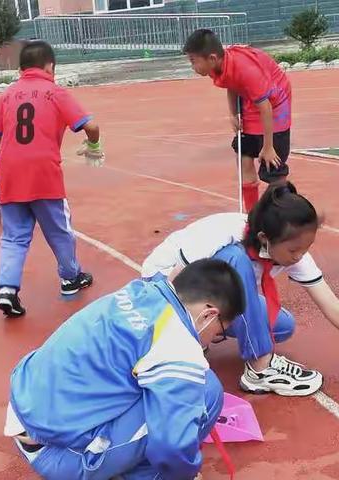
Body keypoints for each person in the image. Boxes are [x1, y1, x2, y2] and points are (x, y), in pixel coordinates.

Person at [4, 258, 245, 480]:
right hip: (58, 456)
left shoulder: (140, 291)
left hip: (22, 414)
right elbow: (172, 448)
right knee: (206, 389)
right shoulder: (177, 342)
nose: (213, 340)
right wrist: (186, 472)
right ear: (208, 315)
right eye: (218, 334)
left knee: (146, 379)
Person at [142, 182, 339, 397]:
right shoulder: (222, 234)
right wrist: (181, 336)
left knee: (283, 326)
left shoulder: (293, 251)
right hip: (166, 283)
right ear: (265, 238)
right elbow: (171, 285)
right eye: (294, 250)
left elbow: (330, 304)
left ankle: (209, 329)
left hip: (208, 296)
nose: (299, 256)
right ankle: (259, 368)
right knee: (235, 259)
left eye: (306, 248)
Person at [0, 40, 105, 316]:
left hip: (9, 173)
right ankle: (70, 277)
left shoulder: (7, 95)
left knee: (14, 236)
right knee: (59, 230)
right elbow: (91, 125)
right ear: (50, 66)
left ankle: (7, 289)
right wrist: (93, 146)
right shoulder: (55, 92)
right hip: (44, 173)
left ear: (21, 68)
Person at [184, 29, 292, 212]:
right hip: (252, 100)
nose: (192, 67)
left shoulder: (245, 70)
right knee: (244, 158)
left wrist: (268, 146)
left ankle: (286, 212)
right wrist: (233, 114)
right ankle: (251, 217)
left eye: (193, 61)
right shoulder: (219, 66)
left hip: (274, 104)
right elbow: (231, 84)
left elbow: (265, 106)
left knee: (272, 168)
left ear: (211, 58)